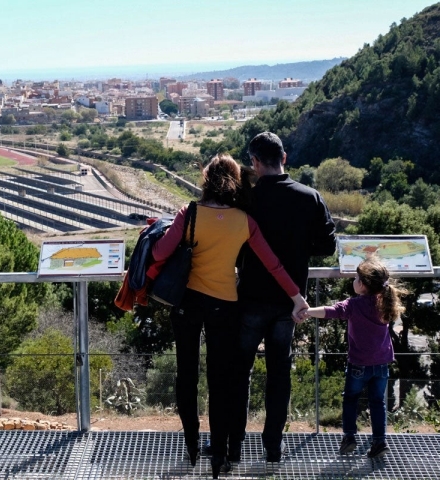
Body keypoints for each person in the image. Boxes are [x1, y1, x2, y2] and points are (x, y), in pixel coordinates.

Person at [152, 154, 308, 478]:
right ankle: (219, 455)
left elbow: (159, 253)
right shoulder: (244, 221)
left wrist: (155, 229)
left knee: (187, 375)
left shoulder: (189, 213)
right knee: (220, 381)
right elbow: (272, 264)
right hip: (225, 305)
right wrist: (297, 298)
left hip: (188, 303)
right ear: (236, 182)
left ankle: (192, 445)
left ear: (206, 179)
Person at [230, 132, 336, 463]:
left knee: (239, 372)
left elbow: (233, 244)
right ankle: (273, 447)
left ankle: (233, 446)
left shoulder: (246, 198)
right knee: (280, 374)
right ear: (284, 158)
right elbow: (328, 246)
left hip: (250, 298)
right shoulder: (310, 197)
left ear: (255, 163)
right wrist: (300, 248)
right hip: (291, 303)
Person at [297, 256, 406, 458]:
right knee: (378, 403)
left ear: (363, 285)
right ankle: (380, 442)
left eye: (356, 278)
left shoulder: (355, 305)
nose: (353, 281)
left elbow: (331, 311)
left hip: (359, 364)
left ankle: (349, 437)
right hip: (382, 363)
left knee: (350, 400)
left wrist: (307, 311)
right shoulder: (386, 303)